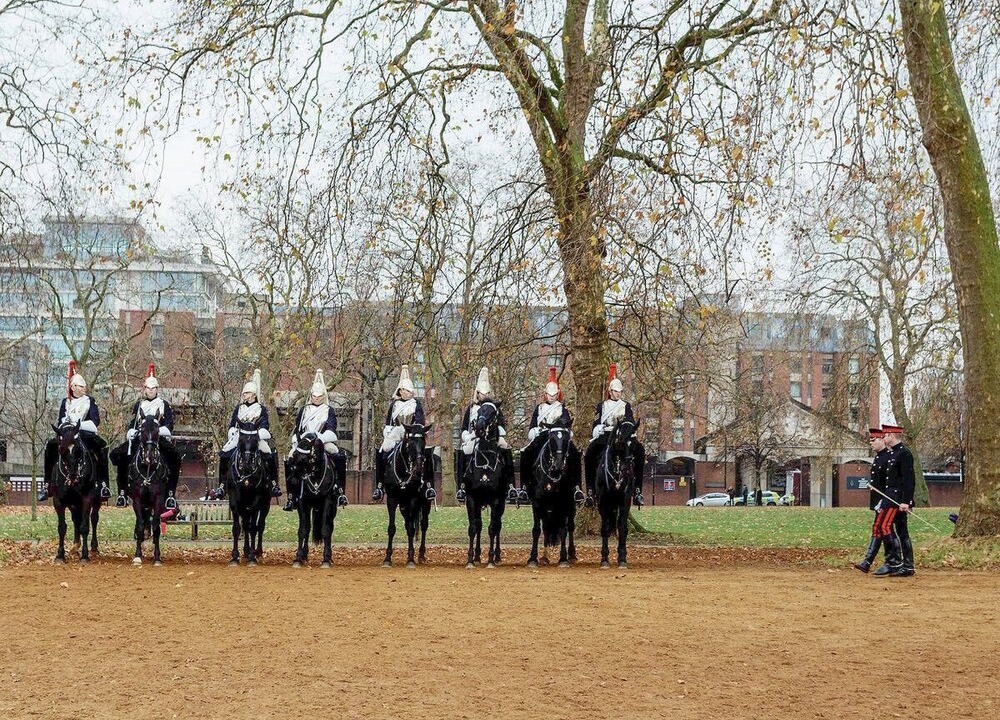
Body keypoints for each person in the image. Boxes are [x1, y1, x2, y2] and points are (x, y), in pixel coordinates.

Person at [110, 364, 182, 508]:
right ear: (145, 389)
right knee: (121, 455)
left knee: (175, 457)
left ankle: (170, 495)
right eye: (148, 388)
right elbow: (133, 424)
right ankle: (122, 493)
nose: (150, 391)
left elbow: (169, 425)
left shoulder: (164, 405)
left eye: (153, 388)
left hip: (158, 439)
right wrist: (131, 431)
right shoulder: (139, 405)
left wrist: (157, 431)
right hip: (141, 439)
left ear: (157, 389)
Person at [40, 362, 111, 502]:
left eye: (84, 386)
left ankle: (103, 484)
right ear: (72, 387)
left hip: (84, 433)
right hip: (67, 434)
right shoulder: (64, 402)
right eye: (80, 386)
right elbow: (60, 420)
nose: (84, 388)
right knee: (50, 446)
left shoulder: (90, 401)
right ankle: (48, 484)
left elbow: (95, 421)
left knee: (102, 447)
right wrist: (66, 425)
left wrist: (78, 425)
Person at [284, 369, 346, 511]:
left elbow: (331, 427)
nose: (316, 399)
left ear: (323, 396)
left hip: (322, 440)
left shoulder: (328, 410)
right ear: (311, 396)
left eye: (319, 397)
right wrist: (299, 440)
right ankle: (291, 496)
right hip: (304, 442)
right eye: (314, 396)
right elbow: (298, 428)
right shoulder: (303, 410)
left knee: (337, 454)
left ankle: (340, 490)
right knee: (290, 458)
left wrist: (320, 438)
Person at [214, 369, 281, 500]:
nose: (244, 395)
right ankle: (221, 485)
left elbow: (265, 425)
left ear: (254, 395)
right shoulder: (239, 408)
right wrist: (233, 432)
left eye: (247, 393)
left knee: (269, 454)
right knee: (225, 453)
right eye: (244, 393)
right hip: (240, 437)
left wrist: (258, 434)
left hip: (256, 438)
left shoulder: (261, 409)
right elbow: (233, 424)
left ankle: (273, 483)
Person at [584, 364, 645, 506]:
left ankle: (637, 491)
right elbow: (596, 424)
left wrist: (628, 430)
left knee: (640, 452)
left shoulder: (626, 406)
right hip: (606, 436)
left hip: (622, 437)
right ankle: (591, 491)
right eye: (615, 391)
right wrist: (600, 428)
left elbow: (630, 421)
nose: (618, 394)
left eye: (620, 391)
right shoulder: (602, 406)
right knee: (589, 454)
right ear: (610, 391)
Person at [518, 367, 581, 503]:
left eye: (554, 395)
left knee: (575, 453)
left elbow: (566, 424)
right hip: (542, 435)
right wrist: (534, 431)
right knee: (526, 452)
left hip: (558, 437)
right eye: (549, 395)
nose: (552, 397)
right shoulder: (539, 408)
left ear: (557, 394)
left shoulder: (562, 408)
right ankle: (523, 486)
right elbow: (533, 425)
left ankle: (577, 488)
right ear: (545, 394)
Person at [372, 365, 433, 501]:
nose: (410, 393)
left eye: (411, 391)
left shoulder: (416, 404)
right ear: (400, 391)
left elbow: (419, 420)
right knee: (382, 451)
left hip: (412, 434)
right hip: (395, 434)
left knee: (425, 453)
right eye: (407, 390)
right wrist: (388, 433)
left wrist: (413, 430)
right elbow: (389, 422)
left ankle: (428, 485)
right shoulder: (394, 405)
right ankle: (380, 485)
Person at [455, 367, 512, 502]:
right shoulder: (471, 408)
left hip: (493, 437)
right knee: (464, 450)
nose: (485, 395)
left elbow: (502, 425)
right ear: (477, 393)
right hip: (475, 437)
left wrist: (499, 432)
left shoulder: (495, 408)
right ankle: (462, 485)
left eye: (487, 393)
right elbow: (464, 427)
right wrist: (467, 436)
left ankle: (511, 486)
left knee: (506, 448)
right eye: (482, 393)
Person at [882, 423, 916, 577]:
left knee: (896, 530)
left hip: (898, 499)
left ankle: (903, 563)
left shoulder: (904, 454)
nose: (883, 438)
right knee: (900, 530)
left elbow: (909, 480)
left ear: (891, 435)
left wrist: (907, 501)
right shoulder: (892, 454)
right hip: (891, 497)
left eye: (885, 435)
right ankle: (904, 564)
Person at [852, 428, 889, 573]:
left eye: (874, 440)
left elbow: (889, 482)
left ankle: (878, 561)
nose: (871, 443)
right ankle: (868, 561)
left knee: (882, 528)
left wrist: (882, 500)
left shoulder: (887, 457)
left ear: (882, 440)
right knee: (879, 528)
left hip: (885, 500)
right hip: (878, 501)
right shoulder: (879, 457)